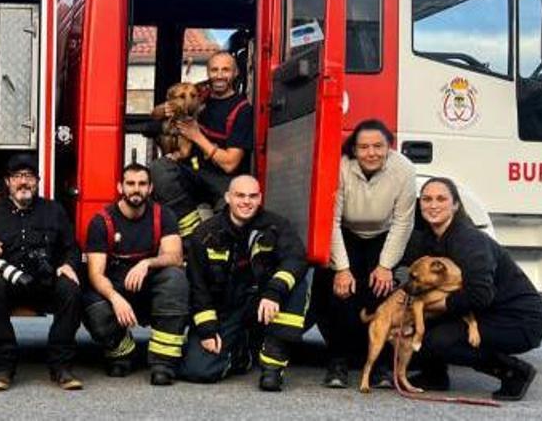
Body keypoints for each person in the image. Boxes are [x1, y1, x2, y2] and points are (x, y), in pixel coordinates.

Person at [401, 177, 542, 401]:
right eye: (427, 199)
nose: (433, 205)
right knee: (422, 322)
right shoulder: (428, 239)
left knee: (438, 340)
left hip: (518, 319)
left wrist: (437, 305)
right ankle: (435, 376)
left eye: (441, 199)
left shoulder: (469, 241)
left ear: (456, 205)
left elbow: (480, 296)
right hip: (485, 312)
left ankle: (514, 372)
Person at [178, 175, 310, 392]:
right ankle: (241, 353)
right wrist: (207, 329)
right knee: (198, 370)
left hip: (264, 304)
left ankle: (272, 366)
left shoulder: (277, 226)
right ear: (228, 198)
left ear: (260, 198)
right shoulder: (205, 233)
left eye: (253, 196)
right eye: (240, 195)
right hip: (226, 309)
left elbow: (296, 259)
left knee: (296, 283)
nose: (246, 201)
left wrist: (274, 292)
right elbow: (198, 286)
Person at [313, 119, 417, 388]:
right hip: (345, 232)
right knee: (341, 294)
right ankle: (338, 362)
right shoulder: (340, 166)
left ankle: (381, 366)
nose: (371, 153)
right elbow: (332, 220)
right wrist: (342, 269)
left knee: (381, 293)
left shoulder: (404, 169)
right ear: (354, 150)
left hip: (383, 236)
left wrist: (385, 266)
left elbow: (403, 222)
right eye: (364, 147)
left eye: (378, 146)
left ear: (389, 148)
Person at [0, 153, 83, 391]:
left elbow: (72, 248)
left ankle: (61, 367)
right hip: (8, 283)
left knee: (71, 289)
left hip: (46, 281)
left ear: (38, 180)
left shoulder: (54, 210)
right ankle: (2, 369)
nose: (23, 182)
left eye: (29, 176)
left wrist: (68, 264)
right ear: (8, 182)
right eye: (17, 176)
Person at [81, 163, 189, 385]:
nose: (136, 189)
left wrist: (147, 263)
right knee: (92, 305)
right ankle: (123, 351)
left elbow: (175, 256)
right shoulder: (102, 222)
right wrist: (115, 299)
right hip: (117, 289)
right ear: (120, 187)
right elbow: (95, 274)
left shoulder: (163, 215)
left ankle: (163, 362)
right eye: (130, 184)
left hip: (149, 287)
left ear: (150, 188)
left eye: (142, 184)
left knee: (175, 278)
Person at [149, 52, 253, 237]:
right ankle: (191, 230)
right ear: (208, 73)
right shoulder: (198, 94)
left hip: (222, 181)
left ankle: (209, 229)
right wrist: (160, 110)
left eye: (225, 70)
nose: (219, 75)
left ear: (236, 73)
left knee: (229, 222)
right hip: (192, 173)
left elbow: (230, 164)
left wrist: (197, 136)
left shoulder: (242, 110)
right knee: (159, 168)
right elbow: (162, 111)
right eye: (214, 70)